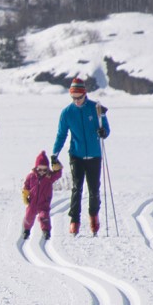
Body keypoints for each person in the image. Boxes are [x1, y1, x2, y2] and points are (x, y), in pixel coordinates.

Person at [51, 77, 111, 235]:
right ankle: (74, 221)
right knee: (77, 188)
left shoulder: (96, 108)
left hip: (94, 155)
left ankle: (93, 217)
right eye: (73, 98)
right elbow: (61, 135)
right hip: (76, 155)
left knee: (94, 189)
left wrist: (103, 132)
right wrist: (54, 154)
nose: (76, 101)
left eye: (79, 97)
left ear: (85, 94)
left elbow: (106, 128)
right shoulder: (67, 113)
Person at [20, 150, 63, 242]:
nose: (42, 172)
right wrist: (25, 194)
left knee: (44, 217)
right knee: (29, 216)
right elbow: (26, 186)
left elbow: (58, 174)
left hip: (44, 202)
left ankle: (46, 231)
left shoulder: (49, 177)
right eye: (40, 169)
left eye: (45, 169)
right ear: (36, 168)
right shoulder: (31, 176)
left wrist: (57, 166)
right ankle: (26, 230)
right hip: (32, 202)